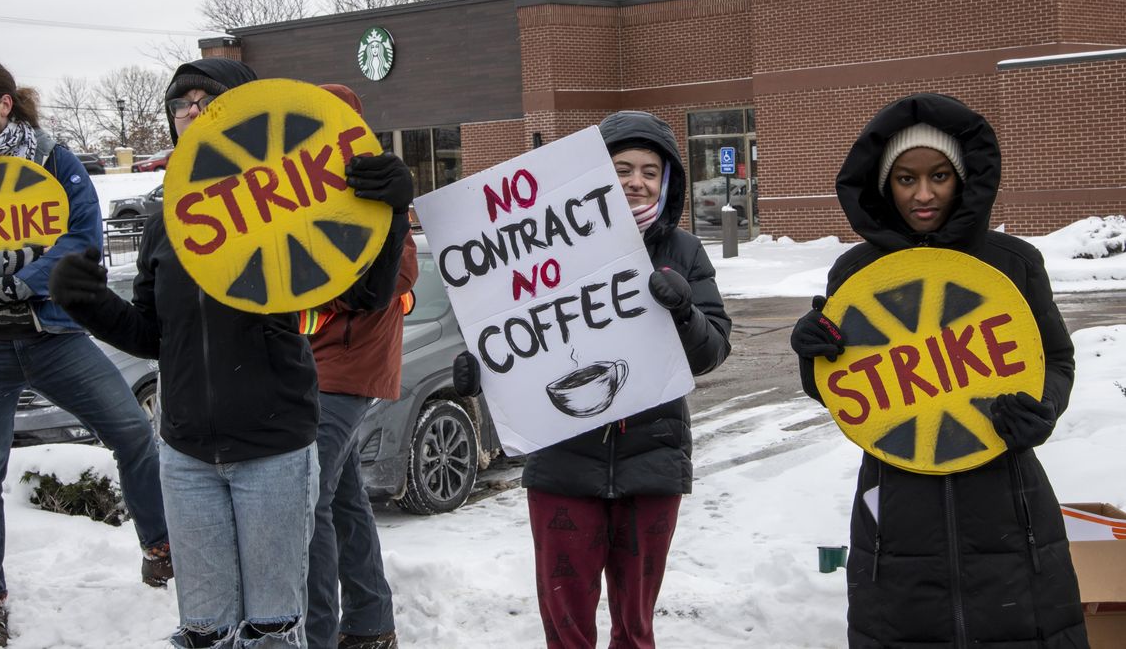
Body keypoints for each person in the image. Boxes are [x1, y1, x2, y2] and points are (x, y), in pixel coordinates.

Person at [48, 59, 415, 648]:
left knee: (273, 628)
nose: (191, 110)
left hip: (273, 449)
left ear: (245, 115)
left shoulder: (291, 203)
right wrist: (88, 304)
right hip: (186, 452)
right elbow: (151, 336)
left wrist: (391, 214)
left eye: (206, 100)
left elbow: (368, 293)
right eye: (180, 103)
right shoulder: (166, 222)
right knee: (205, 630)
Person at [788, 92, 1088, 647]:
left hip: (1007, 499)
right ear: (884, 184)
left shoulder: (1014, 263)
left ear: (965, 178)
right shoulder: (856, 273)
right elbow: (841, 386)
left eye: (940, 176)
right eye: (905, 178)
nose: (923, 194)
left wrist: (1042, 407)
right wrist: (813, 356)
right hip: (898, 505)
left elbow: (1056, 360)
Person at [0, 59, 169, 649]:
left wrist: (27, 279)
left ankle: (160, 551)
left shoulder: (51, 159)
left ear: (5, 104)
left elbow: (83, 237)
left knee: (132, 433)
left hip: (54, 337)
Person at [454, 110, 733, 648]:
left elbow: (712, 352)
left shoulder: (684, 253)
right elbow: (512, 334)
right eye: (621, 167)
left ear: (667, 180)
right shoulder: (540, 244)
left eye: (649, 171)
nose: (635, 181)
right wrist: (480, 373)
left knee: (636, 628)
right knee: (566, 629)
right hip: (561, 464)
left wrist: (684, 312)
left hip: (652, 464)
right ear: (596, 176)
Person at [305, 83, 415, 649]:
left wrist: (328, 292)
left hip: (351, 365)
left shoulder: (376, 180)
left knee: (308, 499)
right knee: (342, 497)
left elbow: (400, 275)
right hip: (311, 366)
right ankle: (371, 623)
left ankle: (314, 633)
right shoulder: (299, 190)